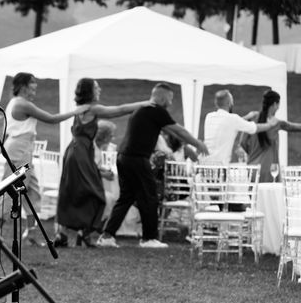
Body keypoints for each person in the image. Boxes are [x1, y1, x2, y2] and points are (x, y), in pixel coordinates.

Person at [97, 83, 208, 249]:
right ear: (162, 98)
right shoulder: (156, 110)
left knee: (127, 197)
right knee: (150, 197)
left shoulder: (142, 110)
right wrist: (198, 144)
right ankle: (149, 238)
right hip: (137, 158)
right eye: (170, 99)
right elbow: (180, 130)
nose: (170, 103)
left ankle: (107, 236)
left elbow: (172, 132)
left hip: (123, 157)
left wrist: (188, 145)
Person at [0, 72, 90, 246]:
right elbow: (51, 119)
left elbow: (7, 130)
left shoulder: (17, 103)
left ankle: (31, 233)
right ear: (23, 86)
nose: (35, 87)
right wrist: (76, 112)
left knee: (33, 191)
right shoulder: (22, 104)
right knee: (11, 189)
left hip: (22, 148)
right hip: (20, 149)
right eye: (32, 84)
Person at [53, 79, 151, 248]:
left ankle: (71, 234)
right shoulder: (92, 108)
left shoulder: (81, 109)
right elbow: (119, 110)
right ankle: (80, 233)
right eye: (96, 87)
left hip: (75, 152)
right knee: (95, 193)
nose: (99, 89)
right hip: (80, 154)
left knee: (73, 191)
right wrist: (146, 103)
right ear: (89, 91)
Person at [240, 90, 301, 182]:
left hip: (253, 170)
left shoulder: (252, 117)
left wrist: (253, 154)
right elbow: (295, 127)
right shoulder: (277, 123)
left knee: (254, 196)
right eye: (278, 104)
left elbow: (242, 142)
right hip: (270, 170)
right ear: (275, 104)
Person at [203, 89, 277, 165]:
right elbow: (254, 128)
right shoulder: (233, 119)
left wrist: (248, 116)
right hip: (220, 168)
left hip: (204, 165)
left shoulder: (209, 116)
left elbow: (228, 123)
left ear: (216, 103)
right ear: (229, 103)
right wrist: (270, 124)